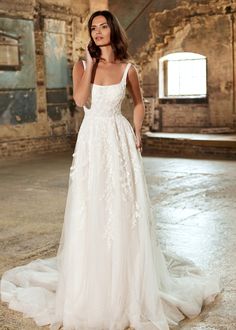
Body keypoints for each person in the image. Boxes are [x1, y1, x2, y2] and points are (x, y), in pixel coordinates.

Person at [0, 10, 221, 330]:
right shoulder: (82, 65)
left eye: (103, 27)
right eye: (93, 28)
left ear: (113, 30)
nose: (98, 32)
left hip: (118, 140)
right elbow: (79, 100)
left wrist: (136, 131)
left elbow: (139, 102)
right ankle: (91, 281)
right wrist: (89, 67)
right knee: (89, 206)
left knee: (121, 206)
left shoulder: (128, 67)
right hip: (92, 140)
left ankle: (124, 282)